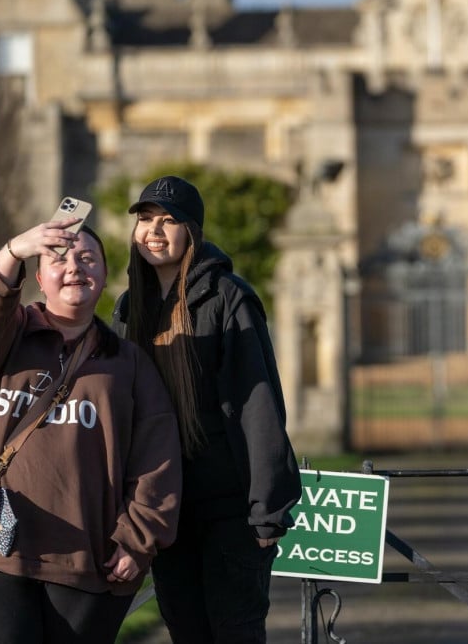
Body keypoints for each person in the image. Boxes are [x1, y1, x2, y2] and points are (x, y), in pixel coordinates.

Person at [0, 218, 182, 644]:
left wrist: (138, 540)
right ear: (40, 278)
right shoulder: (4, 339)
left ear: (103, 277)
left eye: (88, 259)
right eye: (58, 258)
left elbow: (157, 456)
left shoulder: (128, 362)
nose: (74, 267)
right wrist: (13, 251)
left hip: (83, 563)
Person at [114, 175, 302, 644]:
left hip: (229, 509)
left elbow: (257, 405)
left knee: (234, 632)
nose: (153, 231)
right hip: (164, 507)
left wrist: (267, 512)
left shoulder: (227, 298)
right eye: (144, 220)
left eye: (168, 220)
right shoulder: (127, 307)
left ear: (192, 231)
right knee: (186, 632)